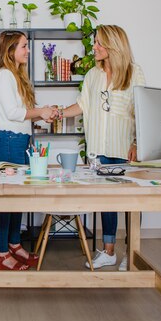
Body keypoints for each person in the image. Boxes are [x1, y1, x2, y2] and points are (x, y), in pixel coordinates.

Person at [59, 24, 145, 271]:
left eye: (98, 43)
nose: (94, 47)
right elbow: (81, 106)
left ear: (112, 45)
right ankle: (108, 251)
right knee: (106, 202)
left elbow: (142, 111)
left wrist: (137, 143)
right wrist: (57, 113)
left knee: (131, 204)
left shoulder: (134, 73)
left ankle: (132, 252)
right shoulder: (92, 76)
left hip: (123, 151)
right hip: (98, 150)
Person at [0, 30, 58, 270]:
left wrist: (41, 116)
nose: (28, 50)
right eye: (24, 46)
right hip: (8, 141)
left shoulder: (15, 76)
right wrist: (40, 111)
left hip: (17, 141)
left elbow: (20, 115)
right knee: (5, 200)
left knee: (16, 197)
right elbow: (12, 113)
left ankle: (13, 245)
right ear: (10, 50)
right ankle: (0, 254)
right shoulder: (4, 76)